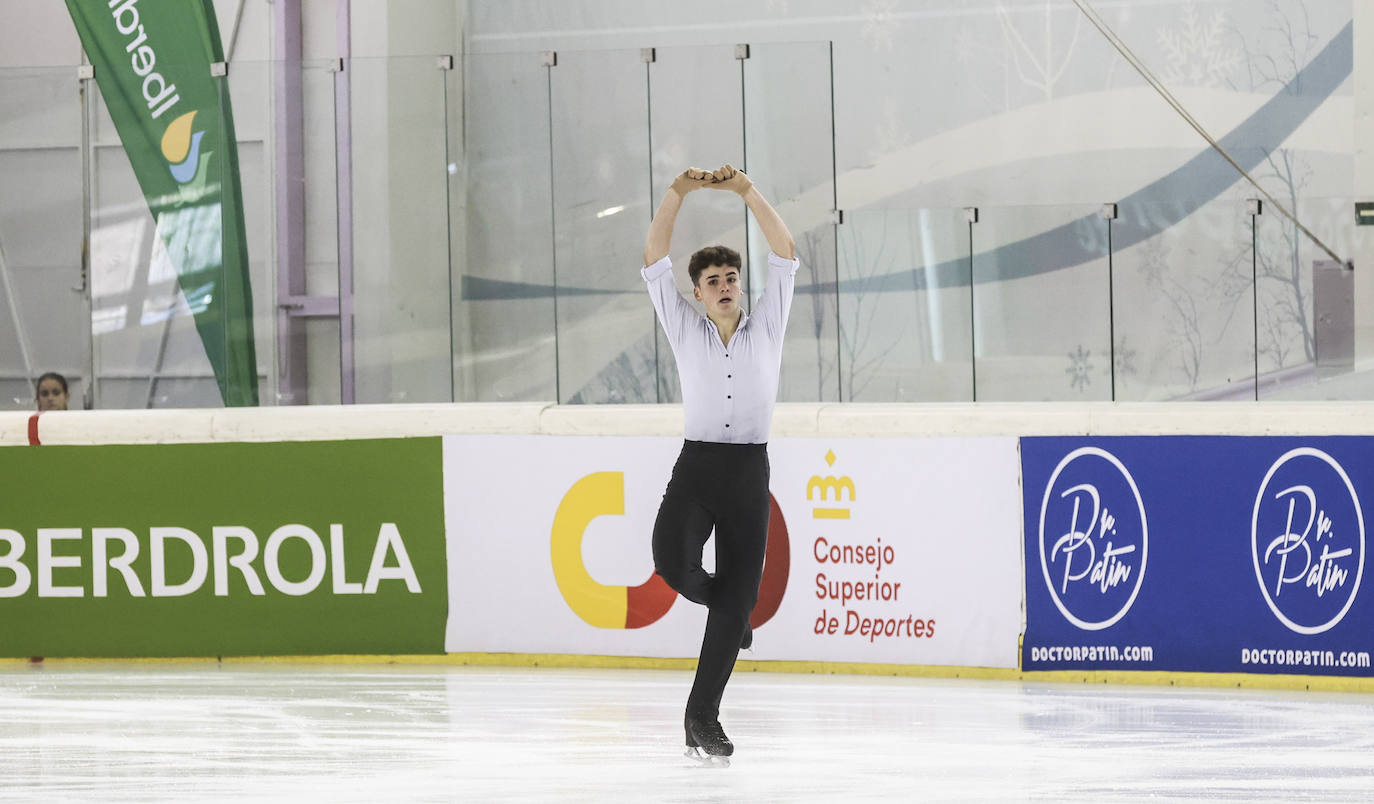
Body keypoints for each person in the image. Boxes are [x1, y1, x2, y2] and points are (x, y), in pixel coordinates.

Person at [641, 164, 797, 760]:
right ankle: (730, 613)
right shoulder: (684, 328)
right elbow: (654, 258)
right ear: (698, 292)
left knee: (737, 598)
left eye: (733, 276)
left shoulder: (768, 326)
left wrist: (747, 192)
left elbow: (785, 255)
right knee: (669, 561)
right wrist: (678, 192)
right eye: (714, 279)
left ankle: (702, 718)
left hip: (748, 474)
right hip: (698, 467)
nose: (727, 284)